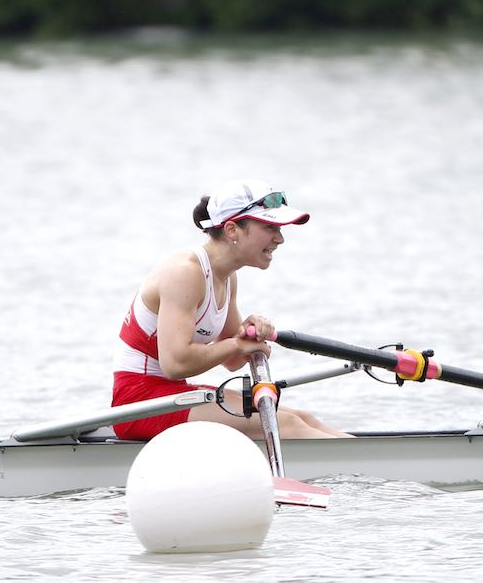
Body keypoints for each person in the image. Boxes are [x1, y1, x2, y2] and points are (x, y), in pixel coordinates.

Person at [111, 178, 350, 440]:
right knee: (288, 425)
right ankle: (360, 474)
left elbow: (232, 361)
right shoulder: (185, 272)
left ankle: (364, 462)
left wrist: (248, 336)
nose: (280, 239)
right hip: (138, 403)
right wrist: (237, 344)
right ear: (232, 229)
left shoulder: (226, 276)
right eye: (270, 227)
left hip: (169, 393)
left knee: (303, 418)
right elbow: (175, 364)